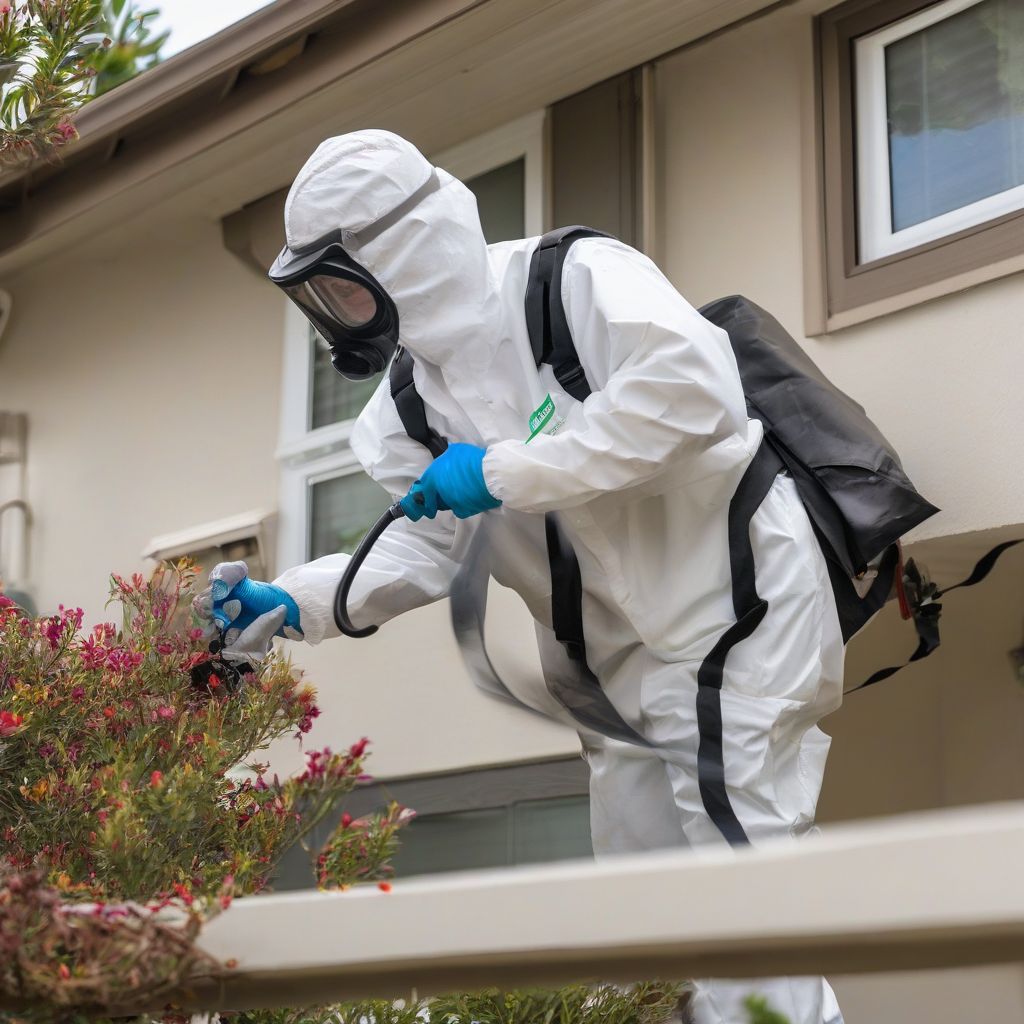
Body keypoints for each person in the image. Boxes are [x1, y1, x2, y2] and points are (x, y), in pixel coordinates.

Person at [199, 130, 845, 1024]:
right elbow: (423, 547)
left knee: (740, 851)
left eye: (340, 284)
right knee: (642, 903)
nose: (336, 314)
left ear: (404, 254)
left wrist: (504, 471)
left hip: (737, 601)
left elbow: (696, 393)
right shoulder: (404, 409)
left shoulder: (571, 280)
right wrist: (296, 600)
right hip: (609, 664)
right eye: (319, 296)